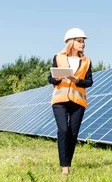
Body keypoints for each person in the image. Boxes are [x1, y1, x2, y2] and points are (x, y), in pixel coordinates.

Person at [47, 28, 93, 175]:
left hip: (78, 101)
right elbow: (50, 79)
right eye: (79, 41)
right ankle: (64, 167)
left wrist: (77, 80)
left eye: (83, 41)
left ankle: (68, 163)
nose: (82, 44)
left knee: (73, 134)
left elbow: (89, 82)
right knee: (63, 130)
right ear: (71, 42)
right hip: (60, 100)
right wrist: (59, 78)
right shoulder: (58, 57)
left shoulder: (87, 61)